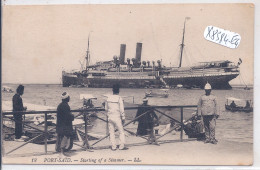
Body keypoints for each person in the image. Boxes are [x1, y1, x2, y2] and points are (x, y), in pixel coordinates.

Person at [105, 84, 127, 151]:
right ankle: (121, 146)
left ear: (112, 90)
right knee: (121, 132)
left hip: (110, 117)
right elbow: (121, 109)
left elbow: (106, 108)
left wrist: (108, 114)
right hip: (117, 117)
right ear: (119, 90)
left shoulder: (108, 98)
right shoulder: (119, 98)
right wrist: (123, 117)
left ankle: (113, 146)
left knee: (111, 132)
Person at [56, 92, 74, 157]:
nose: (69, 98)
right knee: (65, 137)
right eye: (68, 97)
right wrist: (72, 116)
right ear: (66, 98)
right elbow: (68, 116)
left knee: (61, 137)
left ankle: (61, 151)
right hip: (65, 126)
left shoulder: (60, 105)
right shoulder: (66, 106)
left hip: (60, 125)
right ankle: (62, 152)